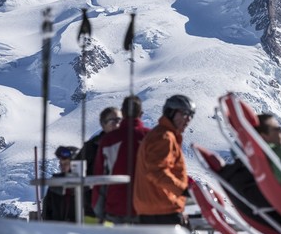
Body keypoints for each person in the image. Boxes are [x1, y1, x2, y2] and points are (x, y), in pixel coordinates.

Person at [133, 95, 194, 225]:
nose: (188, 119)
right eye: (184, 114)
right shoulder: (164, 137)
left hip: (155, 206)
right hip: (162, 208)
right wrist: (183, 190)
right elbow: (157, 171)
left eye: (191, 115)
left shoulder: (163, 134)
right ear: (171, 113)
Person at [92, 96, 149, 223]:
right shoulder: (151, 138)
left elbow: (100, 177)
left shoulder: (108, 140)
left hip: (116, 208)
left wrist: (99, 209)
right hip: (146, 209)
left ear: (123, 113)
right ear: (141, 114)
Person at [76, 106, 121, 220]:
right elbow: (75, 172)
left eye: (119, 120)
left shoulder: (129, 144)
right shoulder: (91, 147)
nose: (117, 124)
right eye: (113, 121)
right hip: (93, 209)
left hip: (122, 208)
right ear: (103, 124)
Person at [41, 146, 78, 222]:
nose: (62, 166)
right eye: (61, 163)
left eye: (66, 164)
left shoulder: (83, 183)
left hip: (76, 229)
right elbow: (47, 208)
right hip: (57, 228)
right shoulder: (55, 182)